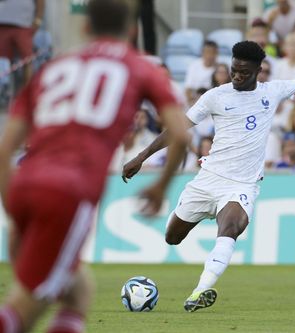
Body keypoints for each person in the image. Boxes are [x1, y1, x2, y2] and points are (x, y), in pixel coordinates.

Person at [122, 40, 295, 312]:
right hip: (208, 179)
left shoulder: (272, 91)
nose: (237, 76)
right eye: (234, 70)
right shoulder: (215, 96)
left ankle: (199, 291)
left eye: (244, 72)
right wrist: (141, 157)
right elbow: (178, 128)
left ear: (259, 70)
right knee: (172, 237)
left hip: (242, 184)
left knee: (231, 228)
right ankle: (195, 259)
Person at [0, 1, 189, 332]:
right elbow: (180, 134)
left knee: (77, 290)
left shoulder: (54, 68)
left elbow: (5, 149)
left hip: (24, 182)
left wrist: (13, 204)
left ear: (86, 27)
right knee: (27, 305)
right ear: (132, 31)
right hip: (68, 192)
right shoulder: (139, 68)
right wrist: (160, 187)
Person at [0, 0, 45, 86]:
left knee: (27, 60)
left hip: (23, 24)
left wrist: (37, 20)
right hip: (2, 23)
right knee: (2, 62)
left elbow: (40, 1)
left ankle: (28, 92)